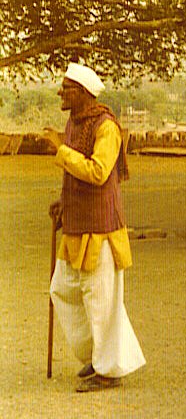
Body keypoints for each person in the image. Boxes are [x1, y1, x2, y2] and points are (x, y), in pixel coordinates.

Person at [43, 63, 145, 392]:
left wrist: (59, 151)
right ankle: (98, 355)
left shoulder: (106, 128)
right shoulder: (75, 124)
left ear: (83, 93)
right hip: (76, 223)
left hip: (100, 229)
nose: (61, 93)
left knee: (101, 302)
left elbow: (100, 172)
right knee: (63, 290)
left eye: (67, 88)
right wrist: (63, 201)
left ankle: (108, 371)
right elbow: (75, 172)